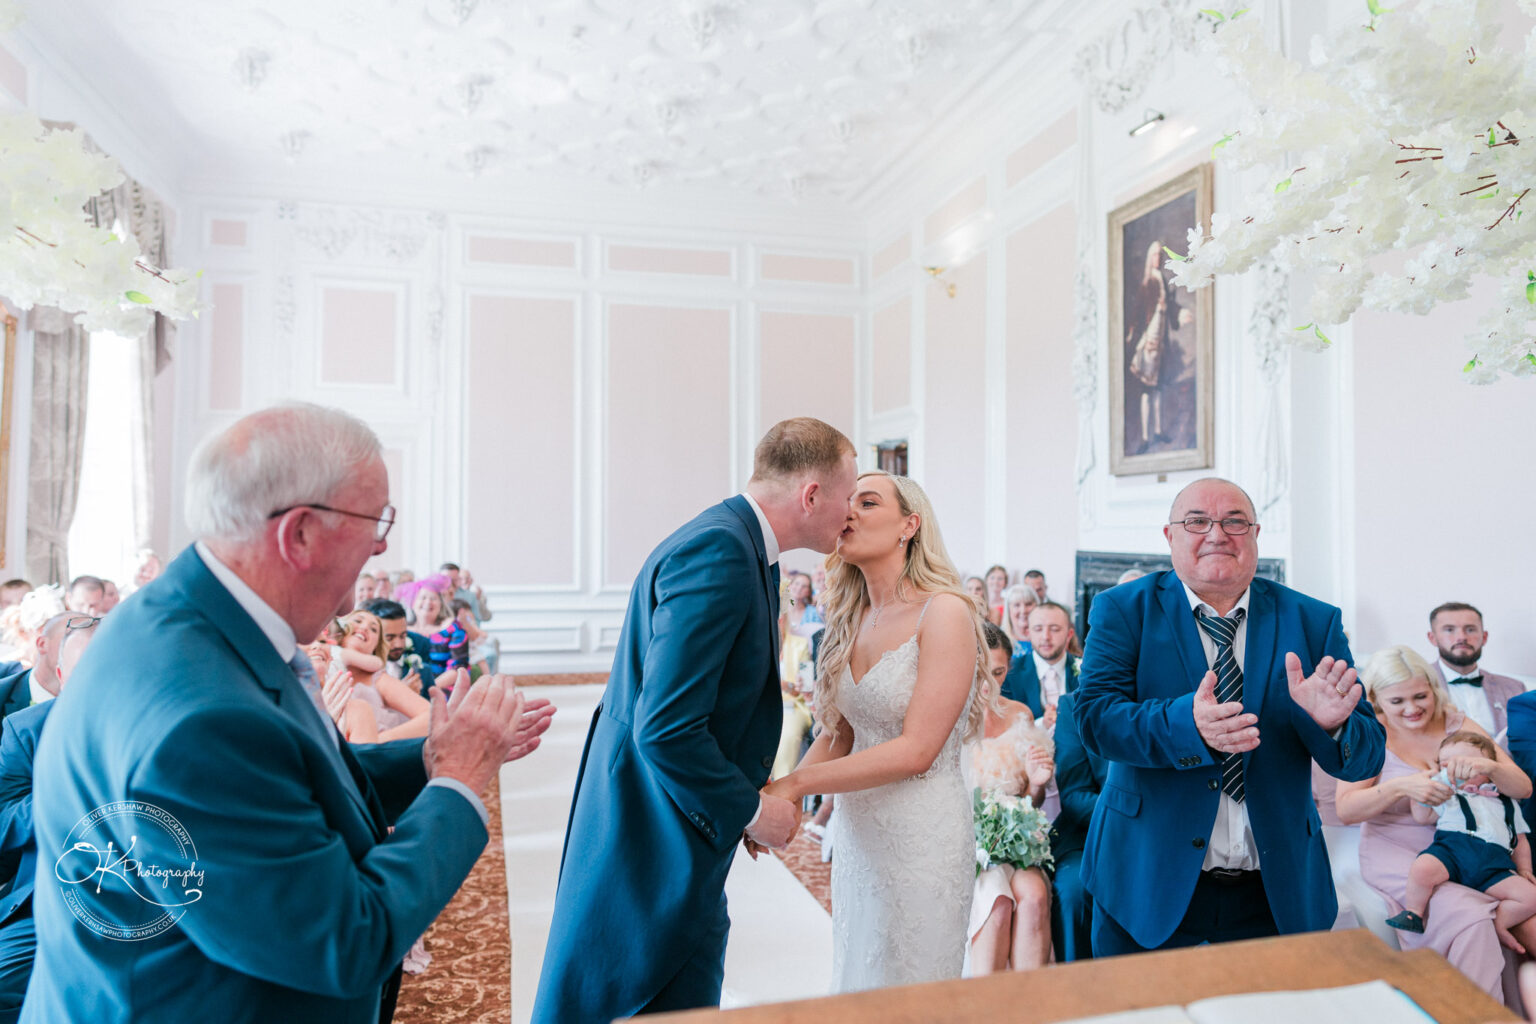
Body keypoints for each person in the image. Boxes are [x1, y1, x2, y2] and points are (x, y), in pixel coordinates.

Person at [23, 402, 554, 1023]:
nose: (382, 545)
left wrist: (438, 752)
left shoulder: (197, 619)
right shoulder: (201, 719)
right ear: (299, 533)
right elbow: (339, 942)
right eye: (376, 520)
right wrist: (458, 783)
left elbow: (290, 780)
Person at [533, 417, 857, 1022]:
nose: (852, 511)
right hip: (650, 826)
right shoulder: (722, 551)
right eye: (849, 493)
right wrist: (753, 810)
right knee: (639, 988)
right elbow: (665, 725)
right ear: (812, 494)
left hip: (671, 815)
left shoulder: (741, 546)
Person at [1075, 477, 1385, 955]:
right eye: (1197, 521)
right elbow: (1096, 720)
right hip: (1146, 879)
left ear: (1256, 534)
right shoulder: (1122, 610)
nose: (1217, 533)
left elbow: (1365, 759)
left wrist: (1334, 726)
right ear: (1169, 536)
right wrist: (1188, 726)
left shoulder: (1313, 620)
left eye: (1234, 521)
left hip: (1274, 891)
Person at [763, 470, 992, 993]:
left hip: (922, 837)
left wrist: (795, 787)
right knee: (860, 975)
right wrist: (782, 799)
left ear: (909, 525)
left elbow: (917, 750)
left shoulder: (946, 612)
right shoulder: (852, 615)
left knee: (911, 987)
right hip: (859, 839)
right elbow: (837, 735)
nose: (849, 512)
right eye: (850, 502)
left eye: (868, 503)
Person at [1338, 645, 1533, 1000]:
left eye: (1420, 696)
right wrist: (1400, 786)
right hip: (1403, 852)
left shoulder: (1457, 723)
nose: (1412, 709)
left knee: (1524, 914)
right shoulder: (1367, 733)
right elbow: (1346, 809)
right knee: (1471, 916)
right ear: (1376, 698)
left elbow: (1522, 787)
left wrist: (1490, 767)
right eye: (1397, 701)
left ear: (1433, 687)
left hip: (1472, 848)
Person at [0, 613, 99, 1022]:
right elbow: (3, 823)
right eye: (85, 673)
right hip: (48, 898)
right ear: (61, 675)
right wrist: (74, 795)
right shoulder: (26, 731)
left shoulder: (172, 726)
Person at [1384, 731, 1536, 951]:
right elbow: (1422, 816)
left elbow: (1520, 839)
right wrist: (1421, 792)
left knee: (1531, 897)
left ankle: (1501, 921)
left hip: (1494, 864)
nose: (1458, 771)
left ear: (1489, 768)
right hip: (1452, 852)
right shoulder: (1449, 795)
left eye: (1467, 764)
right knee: (1422, 867)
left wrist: (1524, 869)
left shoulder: (1507, 802)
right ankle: (1414, 913)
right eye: (1448, 765)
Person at [968, 622, 1054, 975]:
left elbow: (1031, 802)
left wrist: (1036, 785)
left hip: (1013, 841)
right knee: (998, 904)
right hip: (966, 843)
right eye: (979, 673)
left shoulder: (1021, 714)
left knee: (1034, 898)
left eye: (999, 672)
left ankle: (1029, 1004)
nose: (989, 683)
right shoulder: (946, 718)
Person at [1050, 687, 1105, 961]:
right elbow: (1074, 795)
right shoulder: (1073, 706)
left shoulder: (1162, 696)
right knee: (1073, 891)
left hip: (1164, 836)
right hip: (1090, 835)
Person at [1426, 602, 1522, 739]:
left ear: (1484, 637)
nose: (1462, 637)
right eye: (1449, 630)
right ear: (1432, 638)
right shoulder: (1417, 686)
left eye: (1470, 629)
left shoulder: (1514, 688)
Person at [1001, 600, 1078, 729]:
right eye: (1038, 629)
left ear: (1069, 634)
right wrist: (1041, 724)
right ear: (1028, 633)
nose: (1046, 637)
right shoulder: (1010, 673)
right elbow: (1005, 725)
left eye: (1054, 629)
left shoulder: (1086, 670)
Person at [361, 598, 437, 697]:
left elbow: (431, 710)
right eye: (389, 638)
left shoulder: (422, 671)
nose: (399, 644)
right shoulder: (360, 672)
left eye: (403, 636)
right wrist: (401, 694)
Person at [1001, 584, 1037, 653]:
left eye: (1028, 604)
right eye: (1017, 605)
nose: (1023, 611)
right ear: (1009, 609)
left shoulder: (1045, 637)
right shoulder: (999, 638)